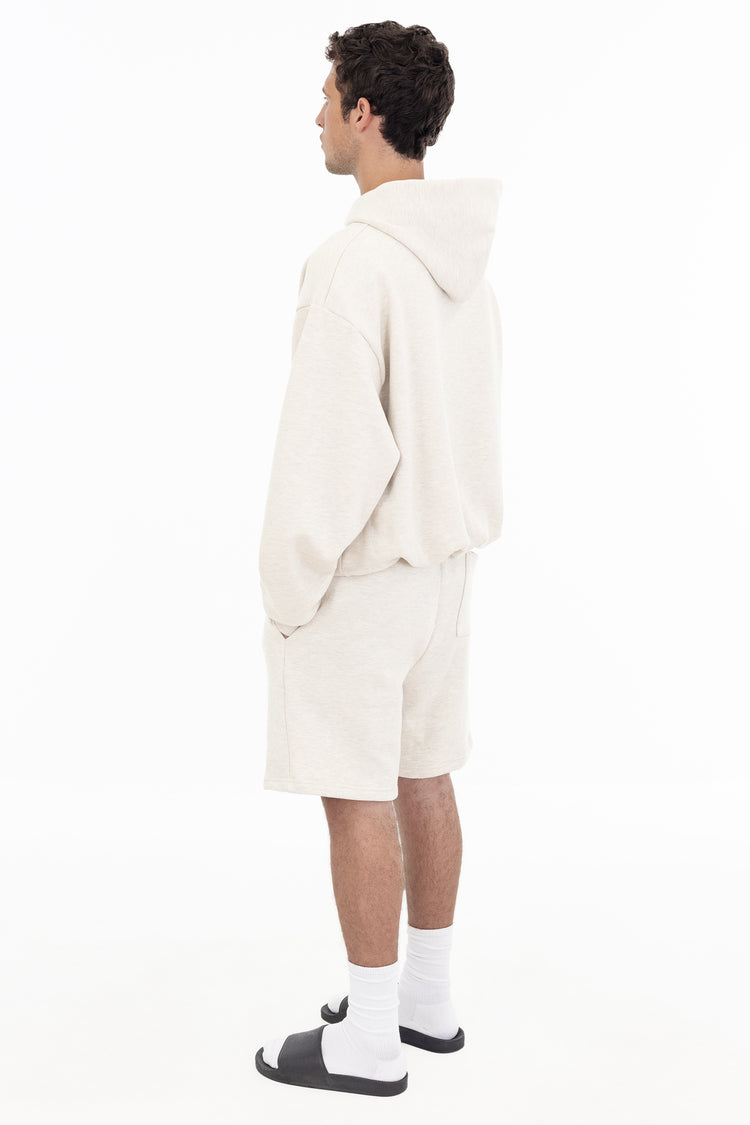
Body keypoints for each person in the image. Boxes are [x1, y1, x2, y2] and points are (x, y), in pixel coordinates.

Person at [255, 20, 503, 1097]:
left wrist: (287, 585)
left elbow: (329, 451)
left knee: (355, 794)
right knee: (423, 774)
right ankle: (425, 1002)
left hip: (362, 576)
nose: (315, 113)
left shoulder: (355, 263)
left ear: (365, 111)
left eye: (328, 95)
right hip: (444, 571)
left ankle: (367, 1041)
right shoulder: (466, 269)